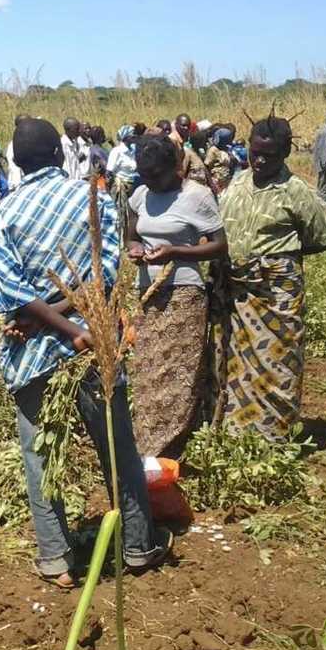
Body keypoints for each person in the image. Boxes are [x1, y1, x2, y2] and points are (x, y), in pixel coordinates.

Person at [0, 117, 171, 587]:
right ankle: (138, 547)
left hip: (31, 349)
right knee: (118, 448)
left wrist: (41, 316)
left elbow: (15, 293)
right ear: (56, 155)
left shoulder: (1, 215)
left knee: (40, 456)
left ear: (16, 160)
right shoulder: (94, 199)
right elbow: (101, 272)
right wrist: (73, 323)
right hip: (95, 344)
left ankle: (57, 562)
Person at [218, 112, 326, 440]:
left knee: (276, 360)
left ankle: (272, 434)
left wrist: (278, 260)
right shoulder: (237, 181)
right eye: (255, 152)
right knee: (235, 359)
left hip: (276, 292)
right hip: (236, 291)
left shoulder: (297, 191)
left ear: (285, 153)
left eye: (269, 155)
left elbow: (322, 237)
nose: (259, 160)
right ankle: (236, 428)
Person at [126, 136, 227, 457]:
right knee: (148, 372)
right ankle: (147, 445)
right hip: (147, 293)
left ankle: (170, 448)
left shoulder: (197, 196)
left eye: (156, 174)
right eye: (144, 175)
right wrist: (135, 249)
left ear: (176, 167)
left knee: (177, 374)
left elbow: (219, 246)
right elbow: (131, 234)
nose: (151, 182)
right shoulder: (141, 194)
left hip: (184, 295)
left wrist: (176, 252)